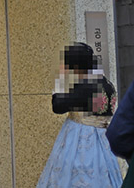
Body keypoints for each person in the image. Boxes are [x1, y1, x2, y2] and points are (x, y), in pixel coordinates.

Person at [36, 42, 122, 187]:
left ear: (75, 66)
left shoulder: (85, 87)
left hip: (80, 143)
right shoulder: (108, 85)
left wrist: (59, 81)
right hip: (105, 143)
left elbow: (58, 106)